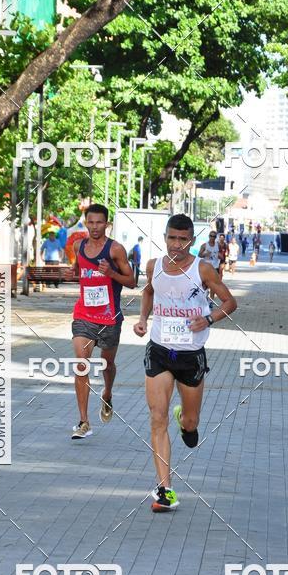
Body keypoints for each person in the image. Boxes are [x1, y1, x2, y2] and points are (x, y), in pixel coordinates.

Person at [133, 214, 237, 512]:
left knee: (191, 424)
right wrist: (142, 319)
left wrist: (208, 319)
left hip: (191, 355)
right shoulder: (153, 266)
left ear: (191, 241)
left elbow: (230, 302)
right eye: (172, 238)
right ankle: (165, 490)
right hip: (160, 350)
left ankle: (186, 422)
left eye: (183, 239)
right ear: (165, 237)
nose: (176, 244)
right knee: (157, 418)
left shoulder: (202, 269)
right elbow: (149, 291)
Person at [71, 204, 135, 439]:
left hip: (109, 318)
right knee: (81, 364)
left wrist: (111, 273)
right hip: (84, 315)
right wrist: (72, 272)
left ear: (107, 224)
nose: (95, 226)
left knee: (107, 365)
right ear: (85, 223)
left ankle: (107, 393)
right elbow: (77, 268)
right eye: (91, 222)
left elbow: (132, 282)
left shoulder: (115, 249)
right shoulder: (78, 246)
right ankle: (83, 422)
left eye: (99, 222)